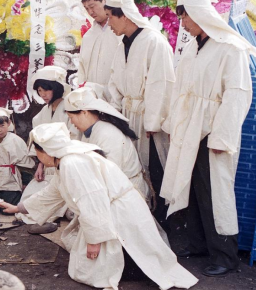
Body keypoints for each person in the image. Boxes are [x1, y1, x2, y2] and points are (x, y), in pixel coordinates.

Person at [0, 123, 198, 290]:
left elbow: (92, 201)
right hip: (110, 210)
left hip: (116, 212)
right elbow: (52, 194)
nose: (37, 157)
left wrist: (95, 240)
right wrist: (18, 208)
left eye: (37, 152)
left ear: (46, 151)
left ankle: (134, 271)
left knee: (102, 268)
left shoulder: (72, 163)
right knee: (95, 263)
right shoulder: (66, 160)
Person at [160, 0, 256, 277]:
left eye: (186, 17)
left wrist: (221, 137)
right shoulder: (194, 47)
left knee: (215, 193)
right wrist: (173, 123)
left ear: (201, 15)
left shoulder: (230, 48)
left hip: (212, 133)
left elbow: (237, 94)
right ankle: (198, 243)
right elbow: (182, 90)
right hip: (189, 129)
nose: (183, 24)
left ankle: (225, 256)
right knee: (190, 188)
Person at [64, 85, 169, 245]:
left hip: (123, 192)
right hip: (112, 189)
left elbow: (110, 176)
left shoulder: (107, 134)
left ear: (84, 112)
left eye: (72, 118)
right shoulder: (93, 132)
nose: (72, 123)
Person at [105, 0, 175, 231]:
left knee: (155, 167)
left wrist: (153, 120)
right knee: (135, 166)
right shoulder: (121, 45)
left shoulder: (154, 41)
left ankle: (165, 222)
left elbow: (161, 83)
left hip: (148, 117)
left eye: (111, 17)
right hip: (129, 113)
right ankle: (144, 220)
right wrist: (117, 109)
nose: (109, 24)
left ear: (124, 15)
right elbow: (114, 79)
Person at [17, 66, 80, 233]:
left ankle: (63, 214)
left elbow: (73, 140)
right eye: (39, 91)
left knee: (60, 200)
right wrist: (40, 165)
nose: (43, 94)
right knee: (28, 204)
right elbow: (40, 146)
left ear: (57, 88)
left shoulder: (70, 109)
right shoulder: (41, 115)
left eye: (46, 89)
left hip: (65, 164)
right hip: (48, 166)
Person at [78, 0, 119, 101]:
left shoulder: (120, 32)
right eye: (86, 8)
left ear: (105, 2)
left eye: (92, 6)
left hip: (117, 97)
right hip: (93, 98)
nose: (90, 12)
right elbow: (81, 70)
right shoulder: (88, 36)